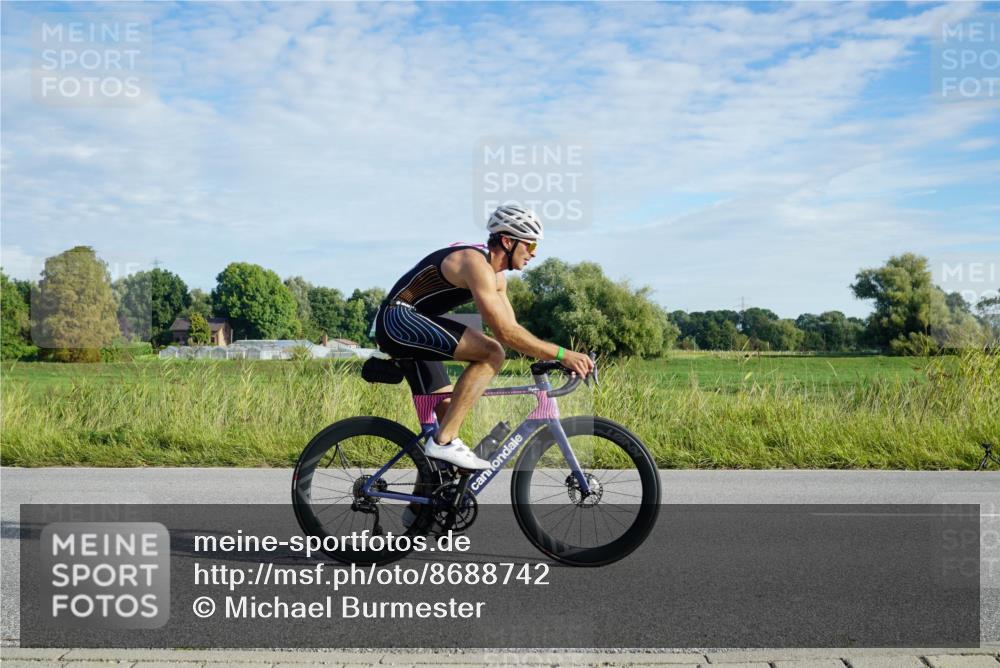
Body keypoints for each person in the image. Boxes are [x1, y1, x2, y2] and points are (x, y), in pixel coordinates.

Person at [373, 204, 595, 470]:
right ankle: (443, 444)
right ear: (507, 241)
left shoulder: (498, 279)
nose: (533, 255)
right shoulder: (474, 263)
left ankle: (428, 503)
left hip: (417, 326)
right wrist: (563, 353)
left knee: (447, 416)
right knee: (492, 353)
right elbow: (503, 335)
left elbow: (514, 329)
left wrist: (554, 359)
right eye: (531, 246)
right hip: (398, 319)